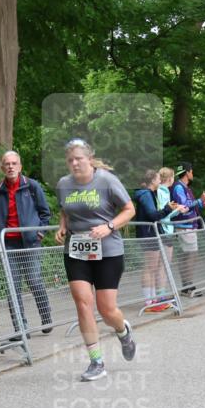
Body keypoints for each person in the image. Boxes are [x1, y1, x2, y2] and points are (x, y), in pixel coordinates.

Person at [55, 139, 136, 382]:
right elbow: (65, 210)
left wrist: (109, 226)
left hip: (108, 250)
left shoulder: (107, 180)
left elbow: (130, 209)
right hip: (77, 250)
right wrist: (61, 227)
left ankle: (123, 331)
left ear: (90, 158)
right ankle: (96, 361)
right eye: (70, 160)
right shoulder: (63, 184)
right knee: (82, 302)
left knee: (107, 309)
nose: (74, 163)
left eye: (79, 158)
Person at [0, 150, 54, 335]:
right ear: (2, 168)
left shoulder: (31, 186)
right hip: (8, 244)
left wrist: (39, 232)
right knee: (13, 287)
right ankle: (20, 328)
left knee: (34, 280)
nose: (10, 167)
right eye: (7, 164)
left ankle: (46, 316)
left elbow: (45, 213)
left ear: (20, 166)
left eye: (14, 163)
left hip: (30, 242)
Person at [134, 169, 185, 312]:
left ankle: (154, 300)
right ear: (153, 181)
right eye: (157, 179)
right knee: (149, 267)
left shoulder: (150, 194)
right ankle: (149, 301)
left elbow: (153, 214)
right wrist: (168, 209)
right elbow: (152, 215)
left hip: (151, 233)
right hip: (147, 233)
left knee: (153, 267)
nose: (159, 181)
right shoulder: (145, 194)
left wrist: (167, 209)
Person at [170, 161, 205, 294]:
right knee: (191, 255)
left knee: (188, 255)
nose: (192, 173)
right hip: (185, 226)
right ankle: (187, 285)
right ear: (187, 172)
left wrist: (203, 204)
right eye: (191, 171)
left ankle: (187, 285)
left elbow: (192, 205)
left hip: (188, 225)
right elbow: (184, 205)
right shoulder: (179, 187)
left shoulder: (185, 187)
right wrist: (201, 200)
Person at [154, 167, 182, 304]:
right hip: (165, 230)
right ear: (170, 178)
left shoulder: (163, 191)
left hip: (166, 229)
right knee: (164, 264)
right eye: (173, 178)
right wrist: (178, 211)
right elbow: (163, 215)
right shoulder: (162, 191)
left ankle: (161, 294)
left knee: (164, 264)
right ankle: (160, 295)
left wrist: (176, 209)